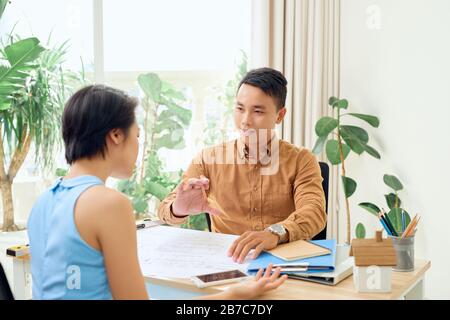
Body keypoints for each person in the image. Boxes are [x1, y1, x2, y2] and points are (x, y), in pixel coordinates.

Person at [27, 85, 287, 300]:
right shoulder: (109, 204)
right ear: (116, 135)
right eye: (137, 136)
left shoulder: (43, 201)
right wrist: (235, 295)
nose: (138, 146)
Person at [158, 67, 327, 264]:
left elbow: (314, 212)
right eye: (239, 109)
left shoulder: (301, 160)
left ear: (280, 115)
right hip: (227, 263)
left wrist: (274, 233)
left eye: (257, 111)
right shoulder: (207, 159)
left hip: (284, 265)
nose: (245, 121)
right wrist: (179, 208)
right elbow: (164, 212)